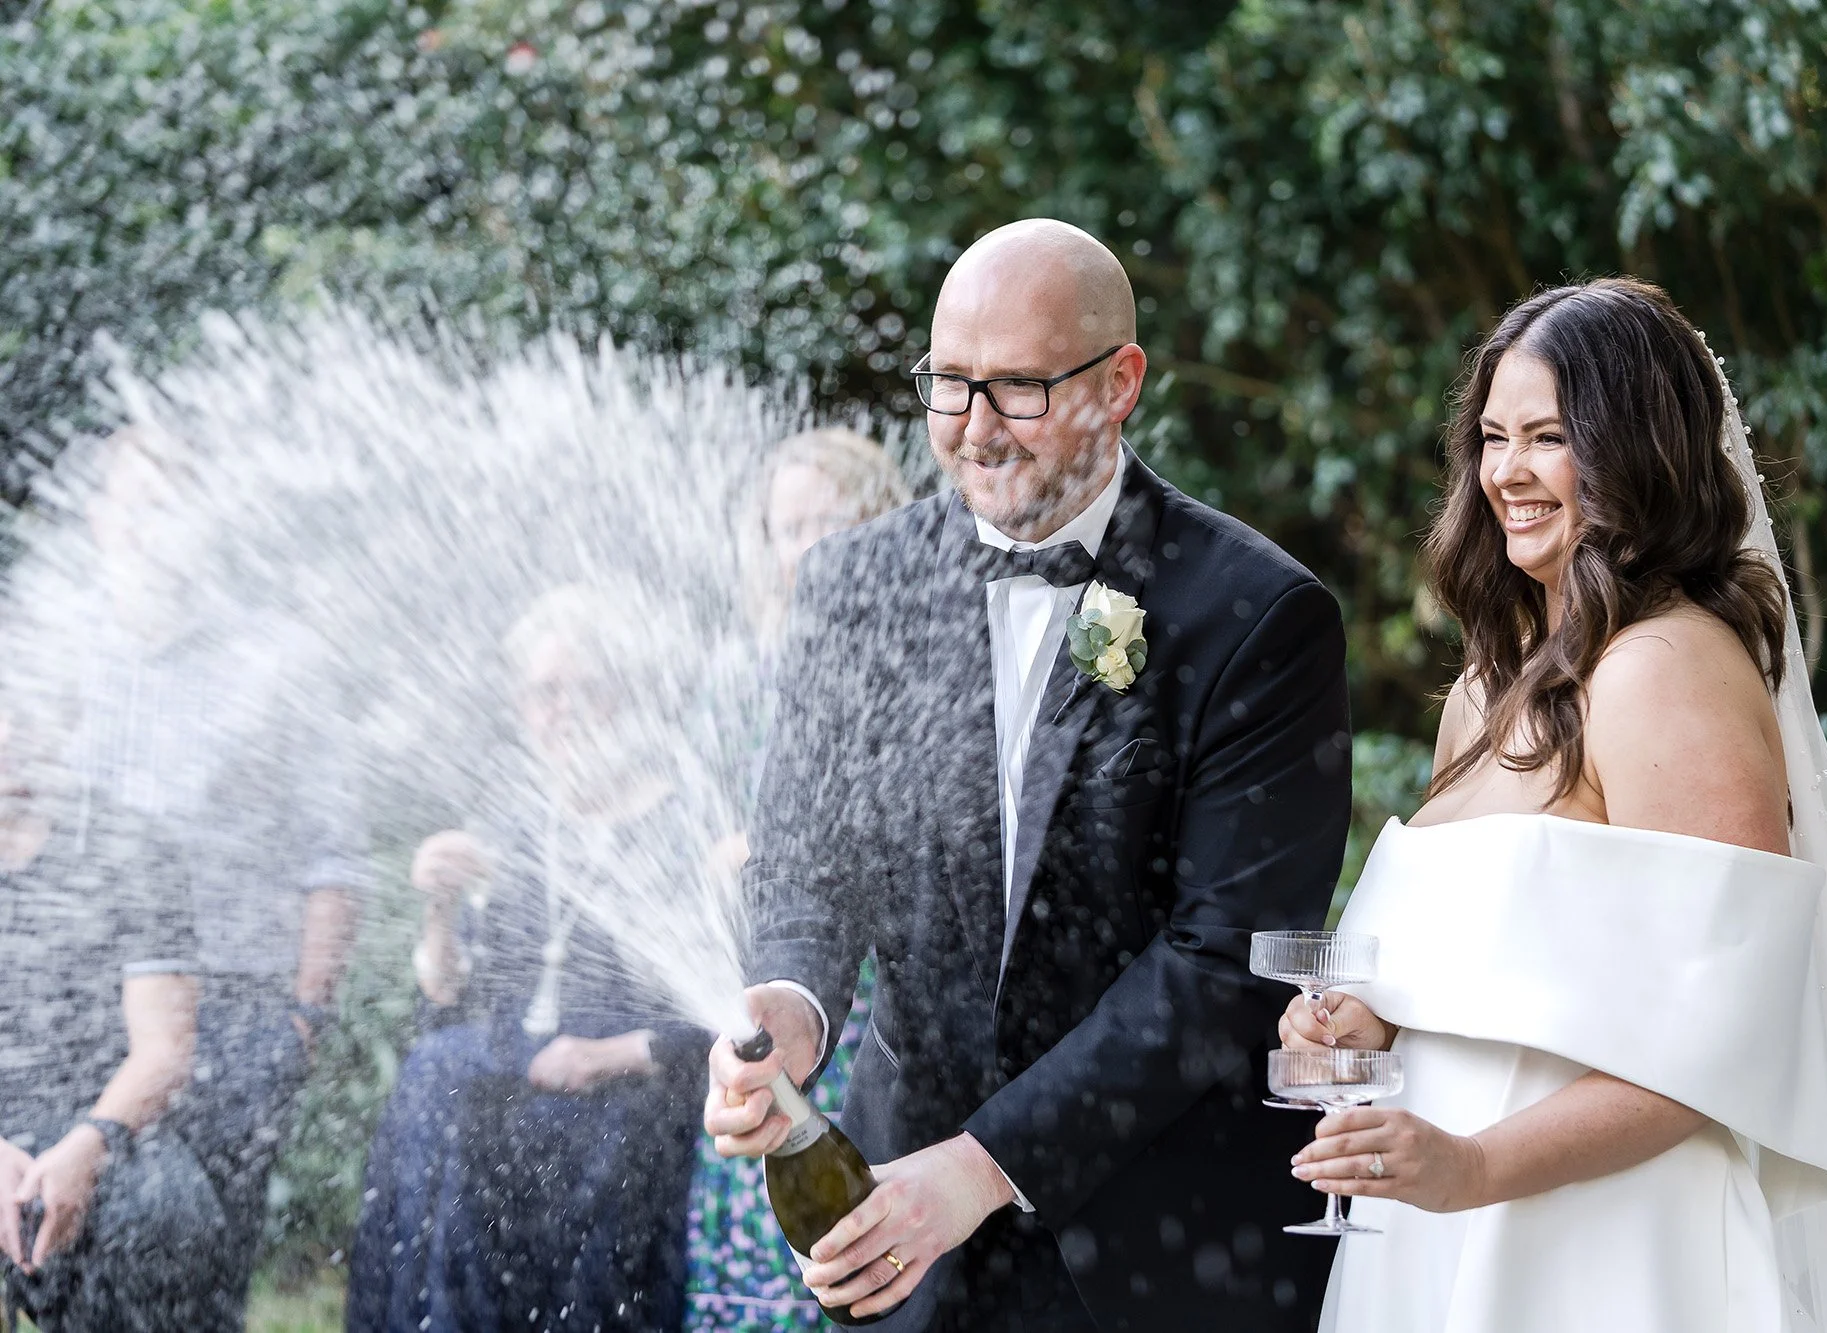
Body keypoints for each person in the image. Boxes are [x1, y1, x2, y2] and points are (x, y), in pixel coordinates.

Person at [1280, 278, 1827, 1331]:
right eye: (1491, 436)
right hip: (1433, 1233)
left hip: (1599, 1241)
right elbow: (1489, 976)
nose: (1504, 471)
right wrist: (1356, 1021)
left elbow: (1728, 1042)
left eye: (1547, 437)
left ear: (1633, 450)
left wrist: (1471, 1165)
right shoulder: (1482, 688)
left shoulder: (1666, 670)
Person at [705, 218, 1352, 1331]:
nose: (972, 430)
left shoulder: (1256, 614)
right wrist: (793, 1006)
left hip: (1163, 1240)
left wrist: (982, 1165)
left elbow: (1221, 961)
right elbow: (805, 865)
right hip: (900, 1234)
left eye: (1015, 389)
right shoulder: (852, 590)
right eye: (947, 386)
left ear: (1119, 382)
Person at [346, 584, 712, 1333]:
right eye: (545, 692)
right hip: (517, 1075)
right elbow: (450, 993)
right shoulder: (517, 822)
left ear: (630, 693)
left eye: (588, 688)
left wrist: (607, 1054)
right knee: (439, 1081)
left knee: (570, 1134)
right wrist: (441, 908)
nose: (564, 709)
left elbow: (717, 1022)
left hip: (630, 1091)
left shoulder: (681, 822)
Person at [70, 428, 368, 1322]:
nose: (157, 530)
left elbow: (333, 851)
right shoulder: (54, 655)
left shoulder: (271, 658)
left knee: (203, 1262)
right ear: (98, 521)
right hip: (78, 1004)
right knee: (58, 1246)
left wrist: (303, 1018)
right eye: (138, 507)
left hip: (233, 1017)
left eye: (176, 509)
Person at [683, 429, 913, 1332]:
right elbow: (695, 819)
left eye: (833, 521)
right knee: (755, 1194)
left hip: (857, 1007)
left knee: (856, 1219)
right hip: (766, 989)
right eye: (791, 526)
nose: (811, 546)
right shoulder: (735, 677)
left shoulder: (908, 668)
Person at [0, 709, 228, 1332]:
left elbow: (163, 1049)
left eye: (26, 709)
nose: (9, 733)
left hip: (103, 1117)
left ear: (64, 713)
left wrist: (89, 1144)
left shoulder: (129, 846)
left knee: (162, 1216)